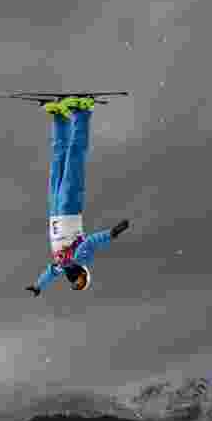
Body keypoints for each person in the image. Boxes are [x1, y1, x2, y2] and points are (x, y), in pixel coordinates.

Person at [25, 96, 130, 295]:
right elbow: (91, 242)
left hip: (55, 212)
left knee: (58, 161)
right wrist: (112, 233)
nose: (75, 281)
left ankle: (60, 118)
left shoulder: (61, 265)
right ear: (84, 274)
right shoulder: (82, 259)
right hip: (70, 208)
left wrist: (38, 286)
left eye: (75, 285)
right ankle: (82, 112)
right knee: (74, 158)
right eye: (81, 281)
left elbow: (49, 273)